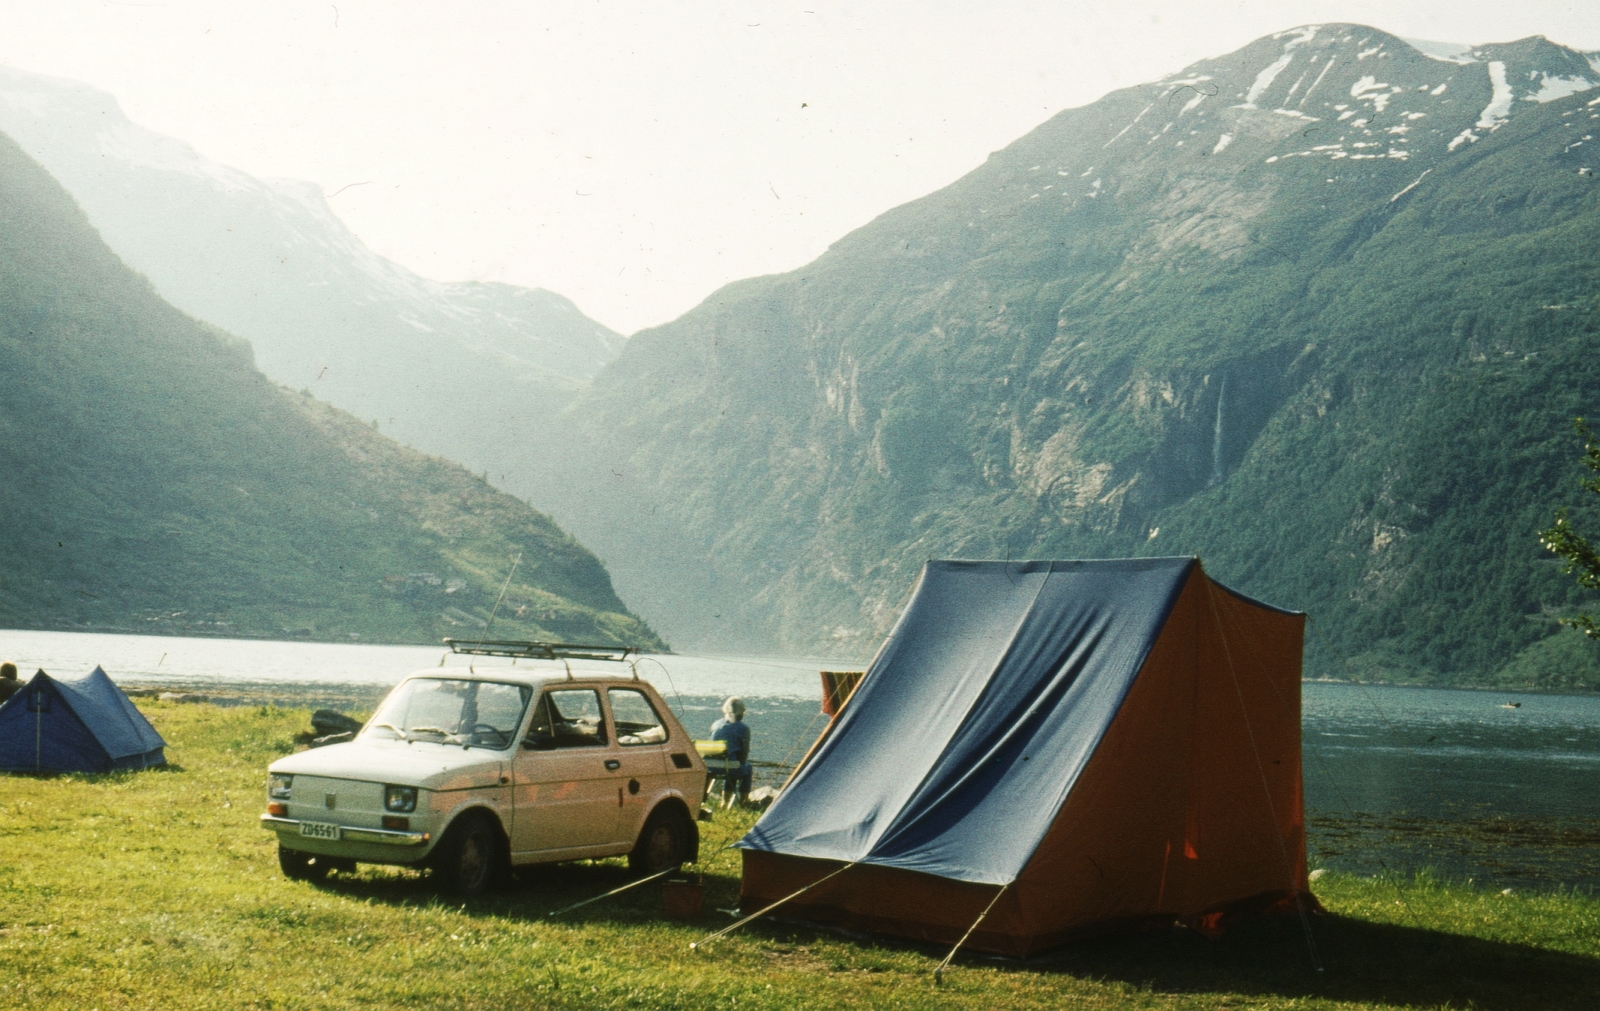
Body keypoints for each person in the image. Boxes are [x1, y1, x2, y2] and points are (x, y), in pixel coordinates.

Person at [709, 696, 752, 806]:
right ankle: (743, 802)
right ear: (740, 712)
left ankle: (725, 801)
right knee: (745, 766)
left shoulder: (716, 724)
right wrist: (741, 762)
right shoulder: (743, 728)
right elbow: (744, 754)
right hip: (729, 766)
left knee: (731, 763)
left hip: (711, 766)